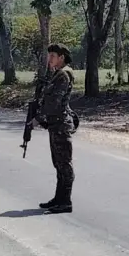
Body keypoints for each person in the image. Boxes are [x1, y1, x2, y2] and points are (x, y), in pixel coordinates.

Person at [34, 43, 76, 213]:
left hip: (60, 124)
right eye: (49, 55)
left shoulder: (63, 75)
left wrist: (39, 117)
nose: (49, 59)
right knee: (58, 163)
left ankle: (65, 201)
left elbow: (54, 102)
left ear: (61, 57)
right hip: (55, 124)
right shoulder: (57, 74)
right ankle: (58, 198)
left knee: (64, 164)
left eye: (53, 56)